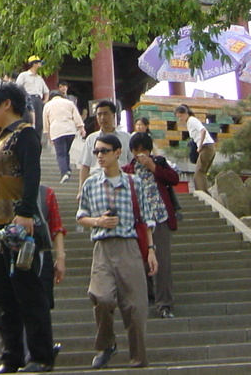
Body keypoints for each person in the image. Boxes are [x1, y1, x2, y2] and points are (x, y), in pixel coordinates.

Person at [0, 80, 57, 374]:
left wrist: (25, 212)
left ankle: (41, 355)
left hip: (17, 224)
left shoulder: (25, 135)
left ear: (6, 104)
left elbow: (32, 174)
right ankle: (11, 356)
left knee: (28, 292)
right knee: (3, 293)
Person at [76, 132, 160, 369]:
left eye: (104, 151)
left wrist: (151, 250)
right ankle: (107, 344)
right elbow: (81, 216)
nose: (99, 156)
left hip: (129, 246)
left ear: (117, 153)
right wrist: (98, 222)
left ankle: (138, 357)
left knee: (135, 307)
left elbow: (146, 219)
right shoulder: (90, 183)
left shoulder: (135, 183)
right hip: (102, 246)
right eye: (96, 152)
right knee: (101, 297)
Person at [0, 185, 66, 364]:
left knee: (32, 302)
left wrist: (60, 257)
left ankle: (37, 352)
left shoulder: (45, 193)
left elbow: (56, 226)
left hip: (33, 251)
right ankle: (24, 350)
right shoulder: (5, 190)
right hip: (5, 252)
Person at [123, 132, 177, 318]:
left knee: (162, 261)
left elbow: (174, 179)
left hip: (160, 218)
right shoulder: (127, 170)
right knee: (141, 261)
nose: (140, 154)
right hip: (138, 222)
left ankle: (165, 304)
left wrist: (153, 167)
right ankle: (149, 296)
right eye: (136, 150)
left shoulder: (159, 163)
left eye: (143, 150)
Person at [79, 99, 131, 193]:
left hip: (121, 183)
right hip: (97, 184)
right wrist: (81, 191)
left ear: (113, 115)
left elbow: (132, 163)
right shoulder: (91, 139)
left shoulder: (126, 137)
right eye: (99, 114)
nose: (102, 118)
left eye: (106, 114)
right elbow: (85, 166)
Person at [43, 84, 85, 183]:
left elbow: (46, 123)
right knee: (66, 151)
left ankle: (64, 172)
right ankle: (68, 170)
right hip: (70, 130)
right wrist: (81, 128)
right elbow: (77, 116)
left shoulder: (47, 105)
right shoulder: (69, 103)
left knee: (61, 154)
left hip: (57, 131)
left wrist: (49, 137)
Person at [175, 104, 215, 193]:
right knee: (201, 172)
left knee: (198, 173)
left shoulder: (192, 120)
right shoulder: (190, 122)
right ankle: (204, 192)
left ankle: (203, 194)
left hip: (206, 146)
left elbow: (203, 130)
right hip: (208, 146)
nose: (180, 119)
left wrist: (200, 145)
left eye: (181, 116)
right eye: (178, 117)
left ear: (186, 113)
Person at [16, 57, 49, 138]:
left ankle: (37, 140)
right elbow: (17, 87)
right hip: (28, 99)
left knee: (39, 123)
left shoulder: (39, 78)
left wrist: (45, 101)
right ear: (34, 64)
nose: (40, 64)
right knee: (28, 120)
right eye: (39, 63)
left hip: (38, 100)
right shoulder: (23, 75)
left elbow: (46, 91)